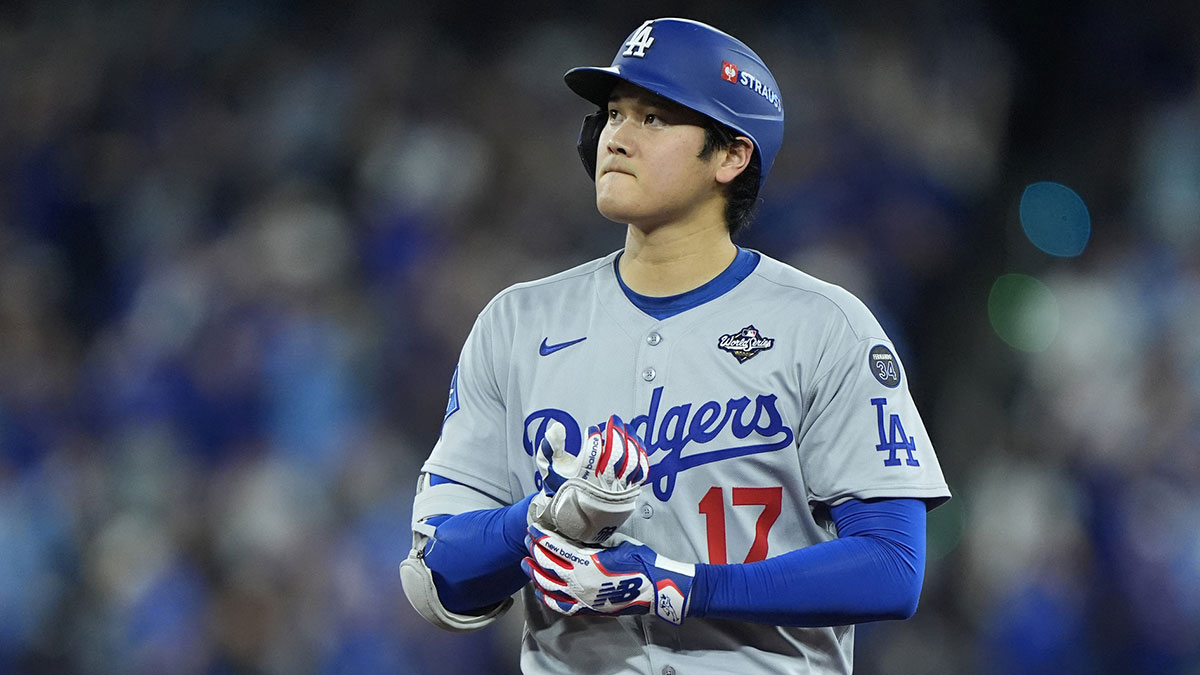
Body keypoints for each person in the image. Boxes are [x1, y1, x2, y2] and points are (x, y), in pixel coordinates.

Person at [399, 17, 951, 674]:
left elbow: (892, 567)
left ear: (730, 155)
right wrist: (544, 515)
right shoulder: (518, 322)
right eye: (613, 114)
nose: (617, 137)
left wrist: (677, 586)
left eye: (654, 118)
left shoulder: (825, 326)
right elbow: (439, 574)